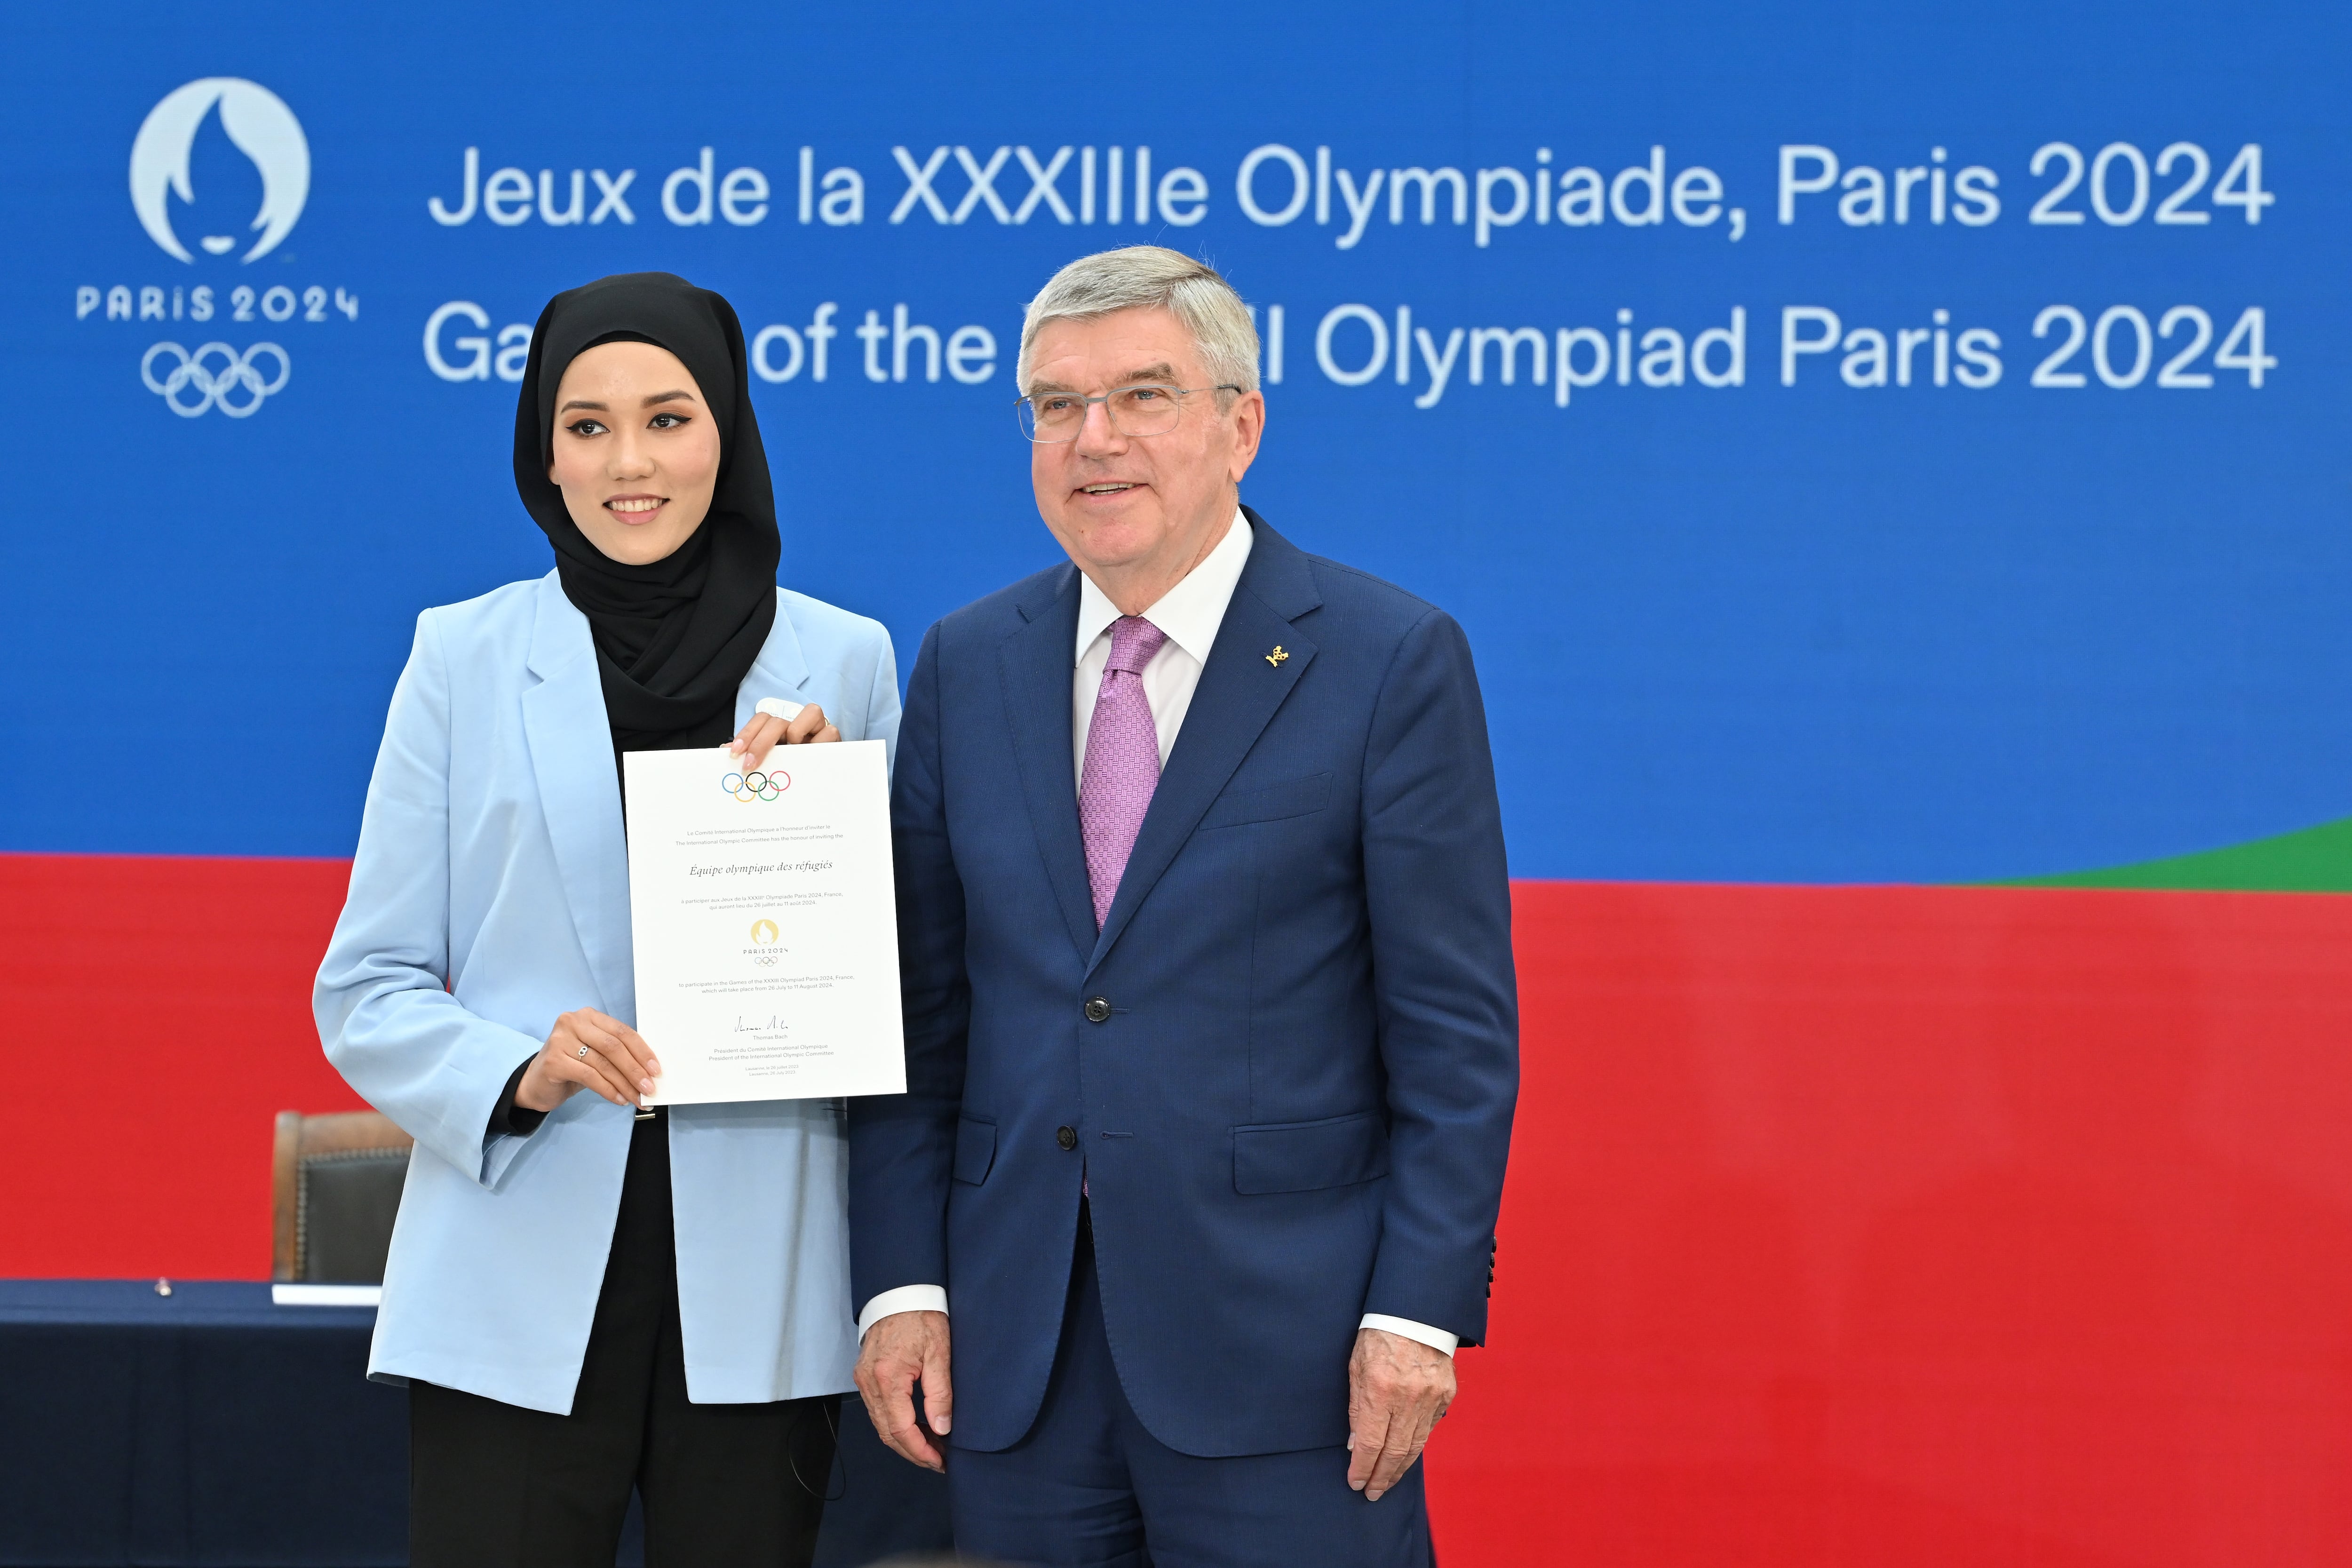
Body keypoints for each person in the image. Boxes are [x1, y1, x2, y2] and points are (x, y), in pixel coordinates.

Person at [849, 247, 1518, 1566]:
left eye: (1143, 395)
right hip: (1013, 1359)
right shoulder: (965, 663)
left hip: (1293, 1362)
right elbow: (918, 1022)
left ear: (1241, 424)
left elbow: (1453, 1034)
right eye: (1055, 405)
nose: (1093, 440)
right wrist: (903, 1282)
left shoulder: (1390, 662)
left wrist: (1418, 1315)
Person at [316, 272, 899, 1566]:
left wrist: (838, 814)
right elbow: (369, 986)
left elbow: (907, 984)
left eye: (669, 418)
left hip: (760, 1292)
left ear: (729, 432)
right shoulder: (460, 659)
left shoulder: (845, 664)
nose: (629, 462)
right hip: (514, 1277)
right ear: (544, 452)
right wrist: (518, 1068)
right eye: (586, 426)